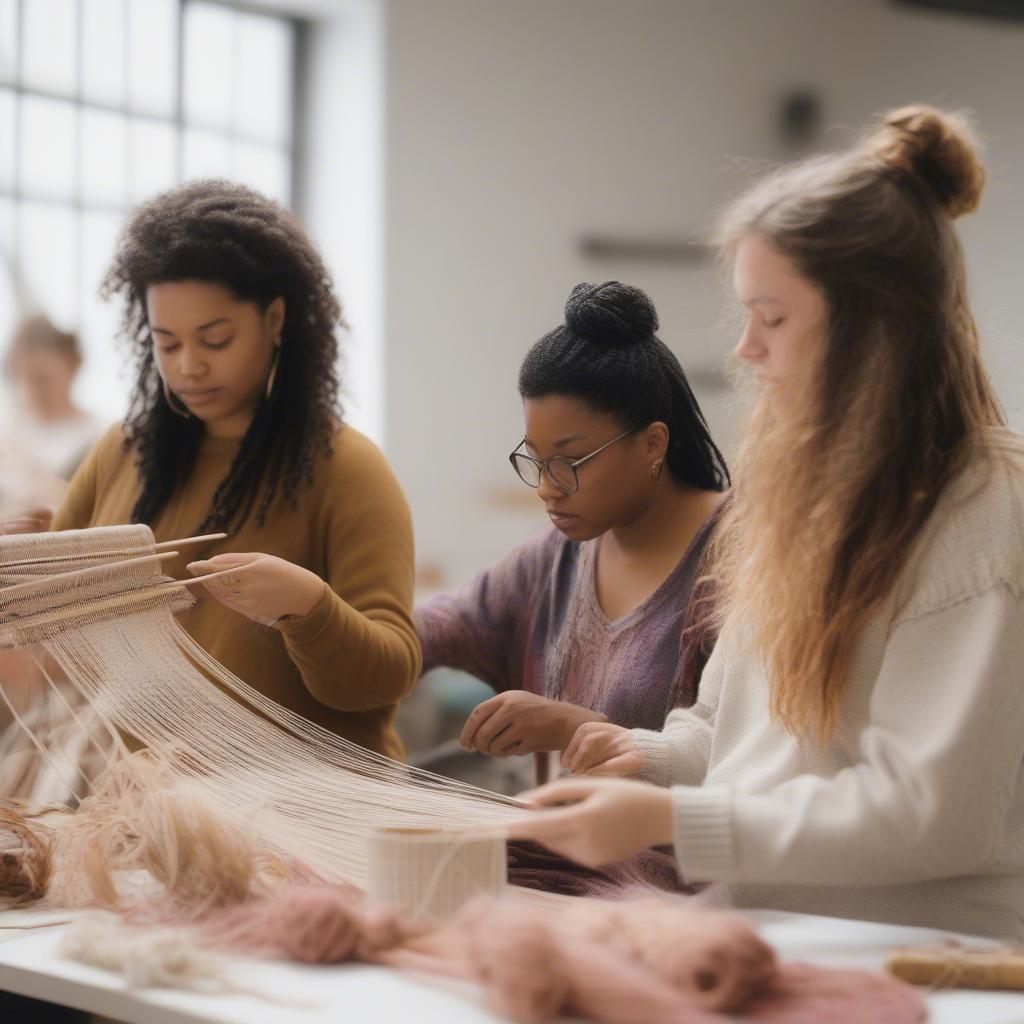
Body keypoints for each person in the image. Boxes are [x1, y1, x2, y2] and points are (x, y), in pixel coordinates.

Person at [511, 106, 1024, 941]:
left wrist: (666, 823)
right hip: (781, 939)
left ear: (875, 331)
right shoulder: (798, 505)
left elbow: (930, 813)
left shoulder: (980, 511)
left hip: (933, 963)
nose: (746, 348)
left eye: (773, 317)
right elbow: (735, 735)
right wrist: (644, 762)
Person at [51, 181, 420, 760]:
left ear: (275, 319)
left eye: (215, 339)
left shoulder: (346, 467)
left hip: (305, 824)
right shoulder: (121, 453)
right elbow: (45, 635)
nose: (189, 366)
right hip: (146, 816)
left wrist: (309, 607)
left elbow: (386, 676)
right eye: (167, 344)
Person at [418, 281, 729, 761]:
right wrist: (314, 613)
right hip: (558, 834)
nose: (546, 487)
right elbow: (435, 627)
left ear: (652, 444)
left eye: (571, 462)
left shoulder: (739, 559)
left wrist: (576, 729)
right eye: (537, 461)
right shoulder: (556, 556)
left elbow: (755, 762)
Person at [0, 315, 106, 511]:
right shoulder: (10, 430)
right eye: (21, 378)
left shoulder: (97, 436)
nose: (31, 390)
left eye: (42, 378)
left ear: (72, 366)